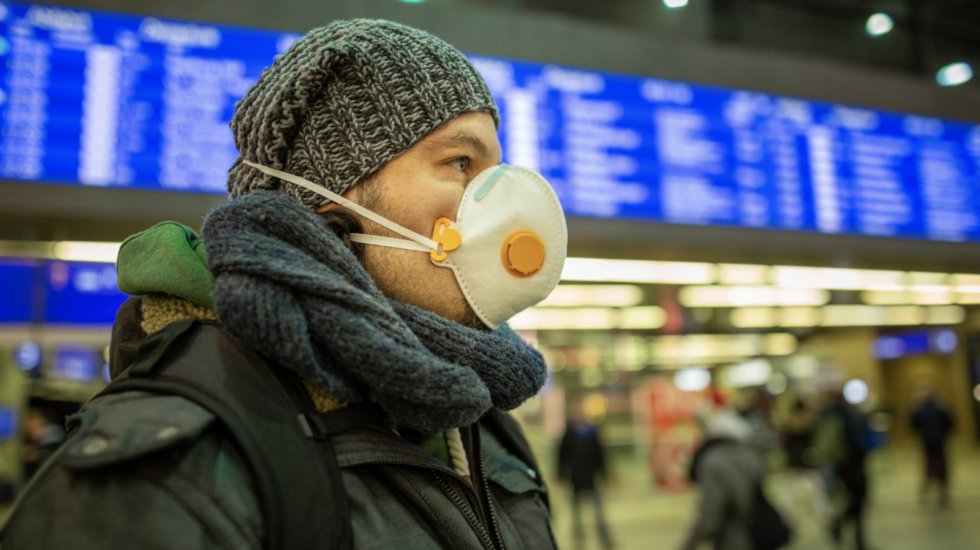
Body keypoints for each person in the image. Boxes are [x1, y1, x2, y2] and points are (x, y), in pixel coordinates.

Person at [0, 19, 567, 549]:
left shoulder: (482, 422)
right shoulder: (173, 471)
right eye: (462, 163)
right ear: (331, 197)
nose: (499, 203)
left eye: (495, 171)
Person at [681, 407, 761, 550]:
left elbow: (709, 516)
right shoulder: (748, 458)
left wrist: (689, 545)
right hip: (753, 533)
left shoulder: (714, 462)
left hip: (732, 538)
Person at [812, 390, 869, 550]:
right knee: (858, 499)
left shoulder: (825, 414)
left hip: (840, 463)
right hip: (851, 463)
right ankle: (845, 529)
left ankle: (856, 537)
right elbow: (854, 439)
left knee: (854, 499)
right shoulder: (843, 414)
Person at [557, 402, 612, 548]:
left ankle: (604, 537)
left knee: (598, 509)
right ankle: (579, 538)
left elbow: (600, 454)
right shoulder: (569, 433)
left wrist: (604, 472)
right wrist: (562, 473)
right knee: (576, 511)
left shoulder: (592, 432)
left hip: (591, 476)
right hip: (575, 477)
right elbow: (562, 455)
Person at [909, 388, 955, 507]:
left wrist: (921, 433)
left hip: (926, 440)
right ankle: (942, 491)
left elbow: (913, 422)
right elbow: (949, 423)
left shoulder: (919, 409)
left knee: (929, 464)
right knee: (941, 465)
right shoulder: (941, 408)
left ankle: (927, 488)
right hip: (939, 440)